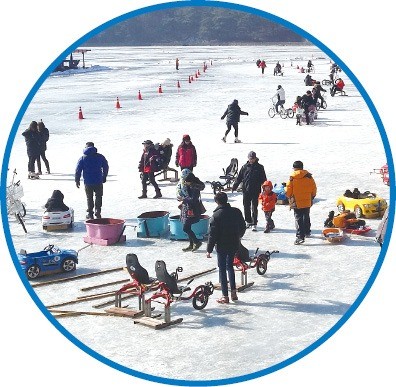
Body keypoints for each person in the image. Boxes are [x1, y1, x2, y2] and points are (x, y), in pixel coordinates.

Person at [206, 192, 246, 304]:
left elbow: (212, 235)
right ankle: (233, 292)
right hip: (234, 244)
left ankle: (225, 295)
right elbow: (243, 226)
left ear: (216, 202)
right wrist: (238, 237)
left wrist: (209, 250)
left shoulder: (216, 216)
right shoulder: (236, 212)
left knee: (222, 269)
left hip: (222, 246)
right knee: (230, 267)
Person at [232, 151, 267, 231]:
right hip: (246, 190)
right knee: (246, 206)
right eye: (250, 159)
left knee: (254, 207)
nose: (251, 160)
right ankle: (248, 221)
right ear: (248, 158)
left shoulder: (260, 167)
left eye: (253, 159)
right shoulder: (244, 167)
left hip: (255, 190)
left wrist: (265, 188)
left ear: (255, 158)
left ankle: (254, 223)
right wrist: (235, 186)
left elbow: (263, 179)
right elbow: (239, 177)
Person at [285, 160, 317, 245]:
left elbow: (288, 189)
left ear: (294, 168)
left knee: (298, 218)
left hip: (296, 201)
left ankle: (300, 236)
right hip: (307, 200)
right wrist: (312, 196)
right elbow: (313, 187)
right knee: (306, 215)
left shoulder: (292, 177)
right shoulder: (309, 176)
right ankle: (307, 231)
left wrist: (288, 196)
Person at [75, 142, 109, 219]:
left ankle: (90, 213)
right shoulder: (100, 156)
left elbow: (78, 170)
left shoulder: (83, 158)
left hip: (88, 182)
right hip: (98, 180)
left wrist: (77, 180)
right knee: (99, 196)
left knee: (89, 197)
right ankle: (98, 211)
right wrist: (104, 176)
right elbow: (106, 166)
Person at [178, 171, 205, 252]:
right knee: (188, 227)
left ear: (191, 181)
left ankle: (196, 242)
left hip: (192, 209)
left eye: (187, 181)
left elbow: (193, 199)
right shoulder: (190, 186)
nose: (185, 182)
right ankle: (191, 244)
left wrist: (183, 199)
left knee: (185, 228)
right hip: (187, 208)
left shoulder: (195, 188)